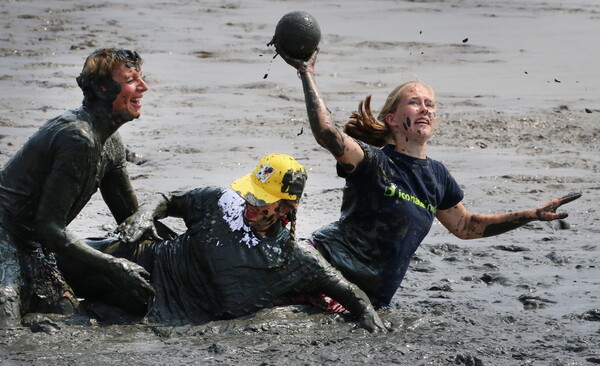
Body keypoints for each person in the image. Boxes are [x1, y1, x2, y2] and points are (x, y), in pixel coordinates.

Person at [273, 46, 582, 308]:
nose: (424, 108)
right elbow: (326, 132)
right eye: (415, 102)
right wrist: (307, 72)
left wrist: (530, 214)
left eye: (430, 104)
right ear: (392, 119)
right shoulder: (372, 162)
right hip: (322, 273)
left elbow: (466, 227)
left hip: (367, 299)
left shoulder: (437, 176)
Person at [60, 154, 385, 332]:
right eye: (251, 194)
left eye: (263, 201)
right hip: (144, 259)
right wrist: (143, 216)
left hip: (153, 309)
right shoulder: (219, 202)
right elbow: (167, 199)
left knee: (59, 306)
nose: (251, 204)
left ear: (286, 208)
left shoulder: (295, 260)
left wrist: (372, 323)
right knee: (50, 261)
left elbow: (352, 295)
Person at [0, 48, 155, 327]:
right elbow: (49, 228)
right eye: (132, 79)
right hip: (6, 238)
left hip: (34, 247)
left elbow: (129, 221)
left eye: (141, 78)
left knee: (63, 310)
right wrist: (115, 266)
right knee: (8, 325)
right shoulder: (78, 138)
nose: (143, 87)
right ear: (102, 87)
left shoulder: (111, 143)